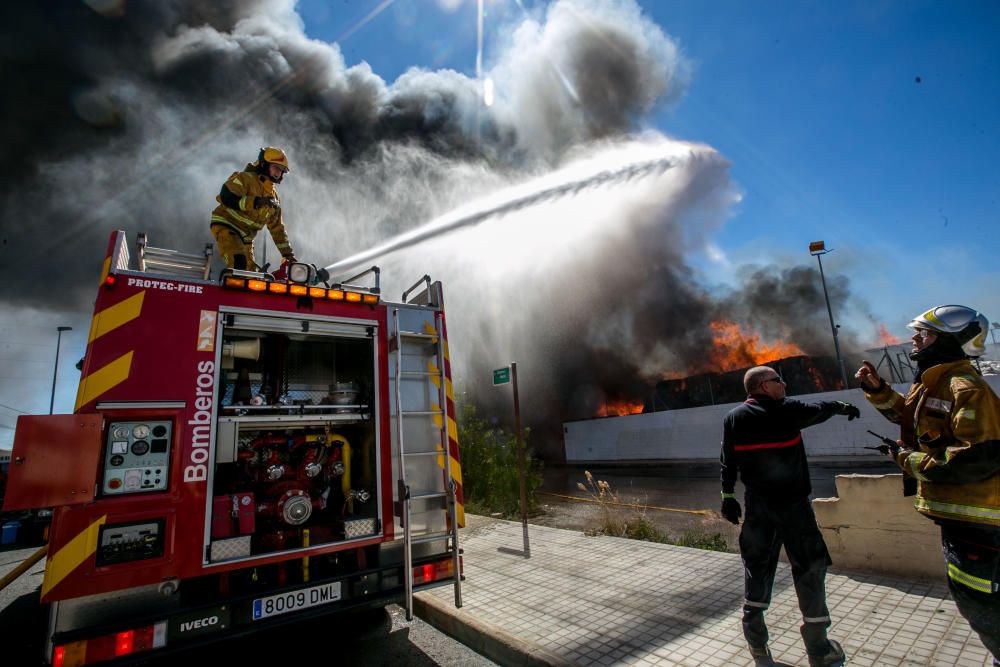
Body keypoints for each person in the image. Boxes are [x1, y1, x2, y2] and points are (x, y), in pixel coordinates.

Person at [856, 305, 1000, 665]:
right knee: (976, 599)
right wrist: (877, 389)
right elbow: (911, 420)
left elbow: (976, 459)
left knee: (979, 602)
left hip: (979, 526)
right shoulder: (934, 383)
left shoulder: (966, 388)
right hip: (960, 523)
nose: (915, 340)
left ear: (951, 341)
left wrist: (907, 459)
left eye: (926, 334)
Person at [720, 365, 860, 667]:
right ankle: (818, 647)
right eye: (777, 380)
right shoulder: (787, 410)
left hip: (758, 511)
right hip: (794, 510)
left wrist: (727, 496)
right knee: (810, 568)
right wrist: (842, 406)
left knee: (757, 569)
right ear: (761, 386)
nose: (783, 384)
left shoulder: (734, 418)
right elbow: (819, 409)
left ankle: (757, 644)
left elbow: (727, 461)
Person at [210, 146, 296, 271]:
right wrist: (256, 202)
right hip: (227, 226)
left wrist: (288, 255)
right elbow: (226, 196)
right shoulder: (245, 179)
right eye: (275, 167)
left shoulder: (274, 198)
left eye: (282, 170)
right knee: (238, 263)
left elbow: (278, 230)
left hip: (246, 238)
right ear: (263, 164)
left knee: (250, 275)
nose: (278, 172)